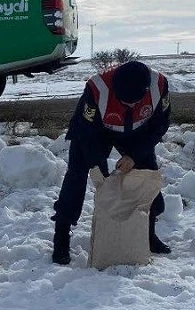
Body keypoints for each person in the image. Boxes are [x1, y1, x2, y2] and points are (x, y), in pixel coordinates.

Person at [51, 60, 171, 265]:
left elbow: (160, 124)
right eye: (125, 101)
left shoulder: (159, 85)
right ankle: (61, 236)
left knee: (145, 176)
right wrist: (100, 172)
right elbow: (86, 133)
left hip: (137, 131)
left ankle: (147, 234)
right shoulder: (96, 89)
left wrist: (134, 156)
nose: (130, 105)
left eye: (135, 102)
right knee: (76, 176)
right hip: (95, 131)